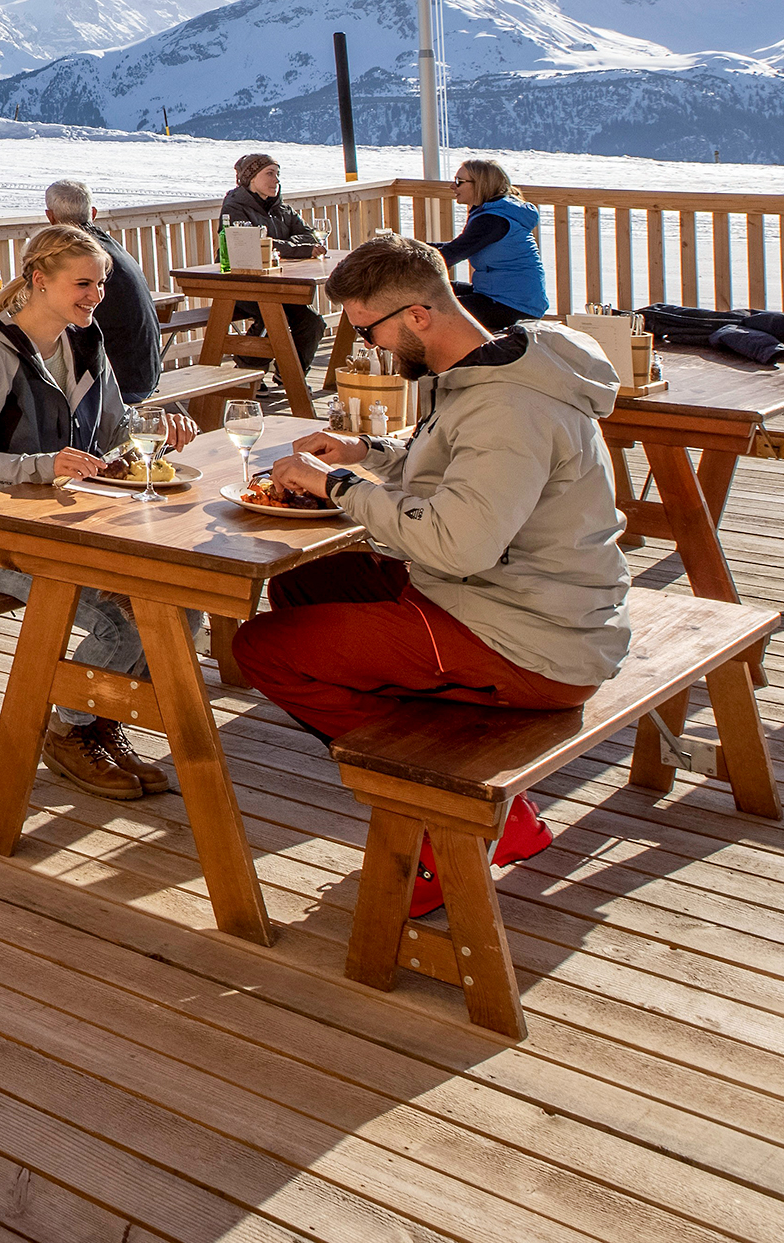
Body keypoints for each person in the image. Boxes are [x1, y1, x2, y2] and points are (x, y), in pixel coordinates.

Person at [240, 234, 631, 917]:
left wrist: (336, 484)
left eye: (368, 329)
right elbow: (451, 457)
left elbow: (457, 541)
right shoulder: (494, 365)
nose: (365, 345)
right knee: (303, 588)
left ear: (417, 315)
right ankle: (453, 766)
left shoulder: (510, 408)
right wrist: (369, 452)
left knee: (261, 649)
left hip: (535, 637)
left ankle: (443, 803)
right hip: (515, 596)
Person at [0, 226, 194, 799]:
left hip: (68, 525)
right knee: (121, 619)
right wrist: (43, 465)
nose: (96, 295)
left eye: (100, 283)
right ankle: (68, 732)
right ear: (37, 280)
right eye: (83, 283)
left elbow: (115, 432)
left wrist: (158, 433)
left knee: (177, 608)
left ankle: (101, 723)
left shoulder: (84, 341)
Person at [44, 179, 162, 400]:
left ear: (50, 217)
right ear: (93, 213)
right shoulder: (112, 248)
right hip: (145, 374)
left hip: (120, 386)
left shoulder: (73, 254)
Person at [218, 152, 328, 387]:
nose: (275, 180)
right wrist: (299, 249)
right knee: (273, 317)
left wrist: (289, 246)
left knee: (312, 322)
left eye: (277, 174)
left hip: (278, 283)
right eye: (269, 174)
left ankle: (291, 375)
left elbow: (309, 236)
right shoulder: (235, 208)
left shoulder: (281, 209)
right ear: (251, 178)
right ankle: (251, 372)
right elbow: (252, 244)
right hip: (241, 284)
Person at [431, 159, 549, 331]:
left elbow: (450, 254)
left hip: (512, 306)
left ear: (480, 185)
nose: (452, 187)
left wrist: (404, 260)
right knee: (438, 289)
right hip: (502, 296)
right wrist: (409, 246)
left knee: (430, 309)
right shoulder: (495, 212)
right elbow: (459, 246)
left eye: (459, 182)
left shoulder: (492, 220)